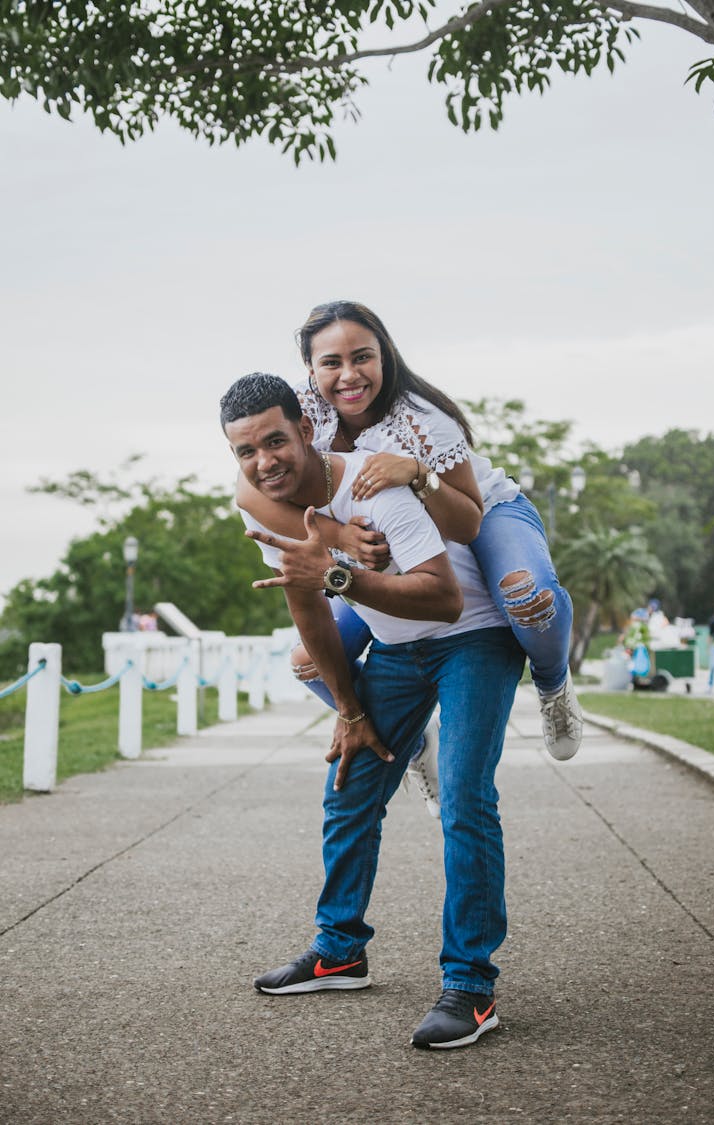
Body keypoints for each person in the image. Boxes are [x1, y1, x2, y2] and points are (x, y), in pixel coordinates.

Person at [221, 372, 526, 1050]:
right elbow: (307, 610)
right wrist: (351, 710)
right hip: (397, 650)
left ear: (306, 428)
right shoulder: (260, 508)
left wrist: (335, 574)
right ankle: (339, 951)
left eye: (276, 440)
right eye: (246, 451)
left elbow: (443, 597)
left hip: (471, 637)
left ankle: (472, 985)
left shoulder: (372, 485)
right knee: (352, 784)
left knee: (467, 796)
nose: (264, 461)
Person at [235, 300, 582, 778]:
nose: (348, 375)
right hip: (395, 542)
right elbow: (247, 492)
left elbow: (467, 524)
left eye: (362, 357)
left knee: (528, 595)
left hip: (480, 511)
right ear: (311, 369)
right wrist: (340, 537)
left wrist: (418, 474)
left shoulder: (422, 418)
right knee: (307, 662)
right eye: (331, 362)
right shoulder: (303, 408)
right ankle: (414, 746)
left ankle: (553, 682)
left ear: (385, 356)